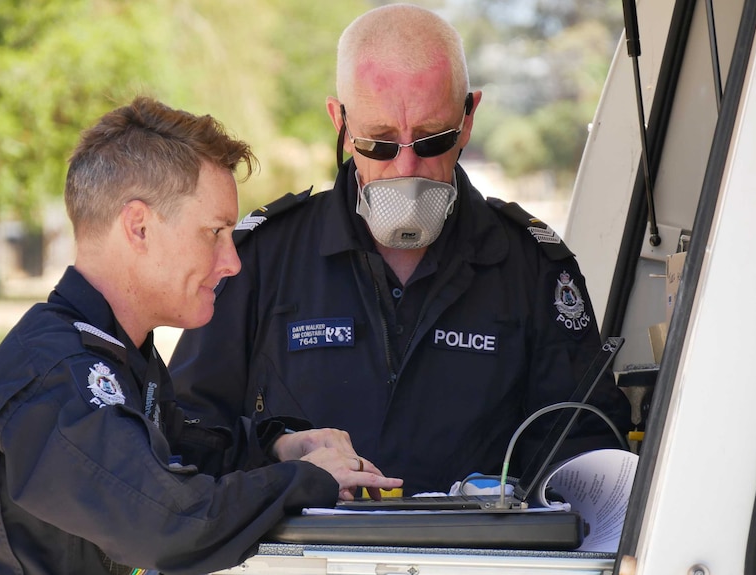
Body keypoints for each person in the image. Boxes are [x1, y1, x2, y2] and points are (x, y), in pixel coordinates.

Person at [169, 4, 632, 496]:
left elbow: (586, 449)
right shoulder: (259, 256)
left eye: (433, 140)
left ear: (468, 118)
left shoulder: (532, 267)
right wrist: (280, 458)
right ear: (341, 124)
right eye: (381, 142)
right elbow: (188, 431)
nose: (406, 167)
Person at [0, 96, 402, 575]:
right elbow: (165, 523)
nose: (232, 262)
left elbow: (183, 453)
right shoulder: (57, 377)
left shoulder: (112, 354)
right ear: (139, 227)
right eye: (215, 232)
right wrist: (308, 480)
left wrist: (276, 449)